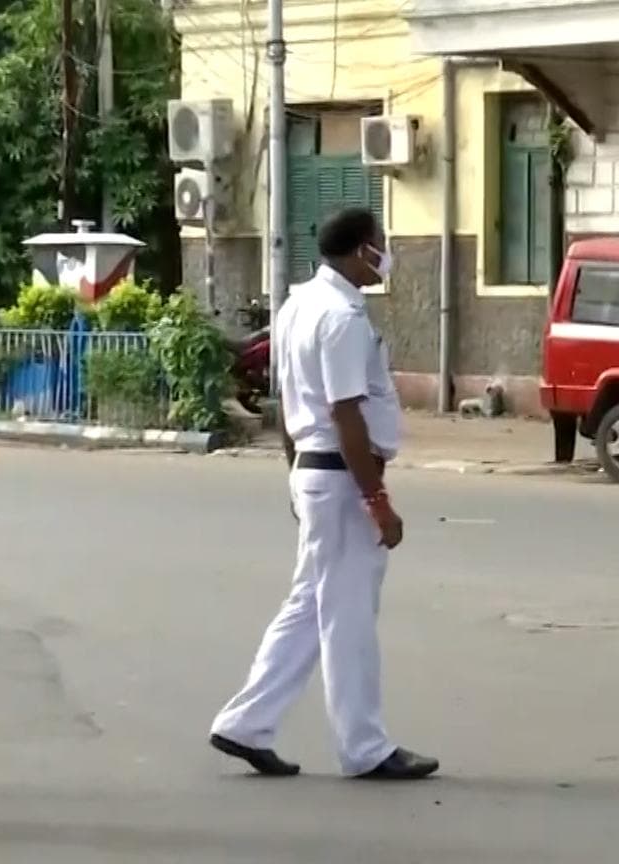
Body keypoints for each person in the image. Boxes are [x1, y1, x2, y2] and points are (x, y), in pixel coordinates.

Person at [209, 207, 439, 780]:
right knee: (349, 615)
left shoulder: (297, 307)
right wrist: (377, 500)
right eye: (381, 244)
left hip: (316, 472)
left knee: (310, 605)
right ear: (362, 250)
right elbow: (345, 413)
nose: (386, 255)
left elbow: (288, 404)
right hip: (340, 475)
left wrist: (294, 474)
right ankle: (366, 748)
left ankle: (245, 723)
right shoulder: (340, 318)